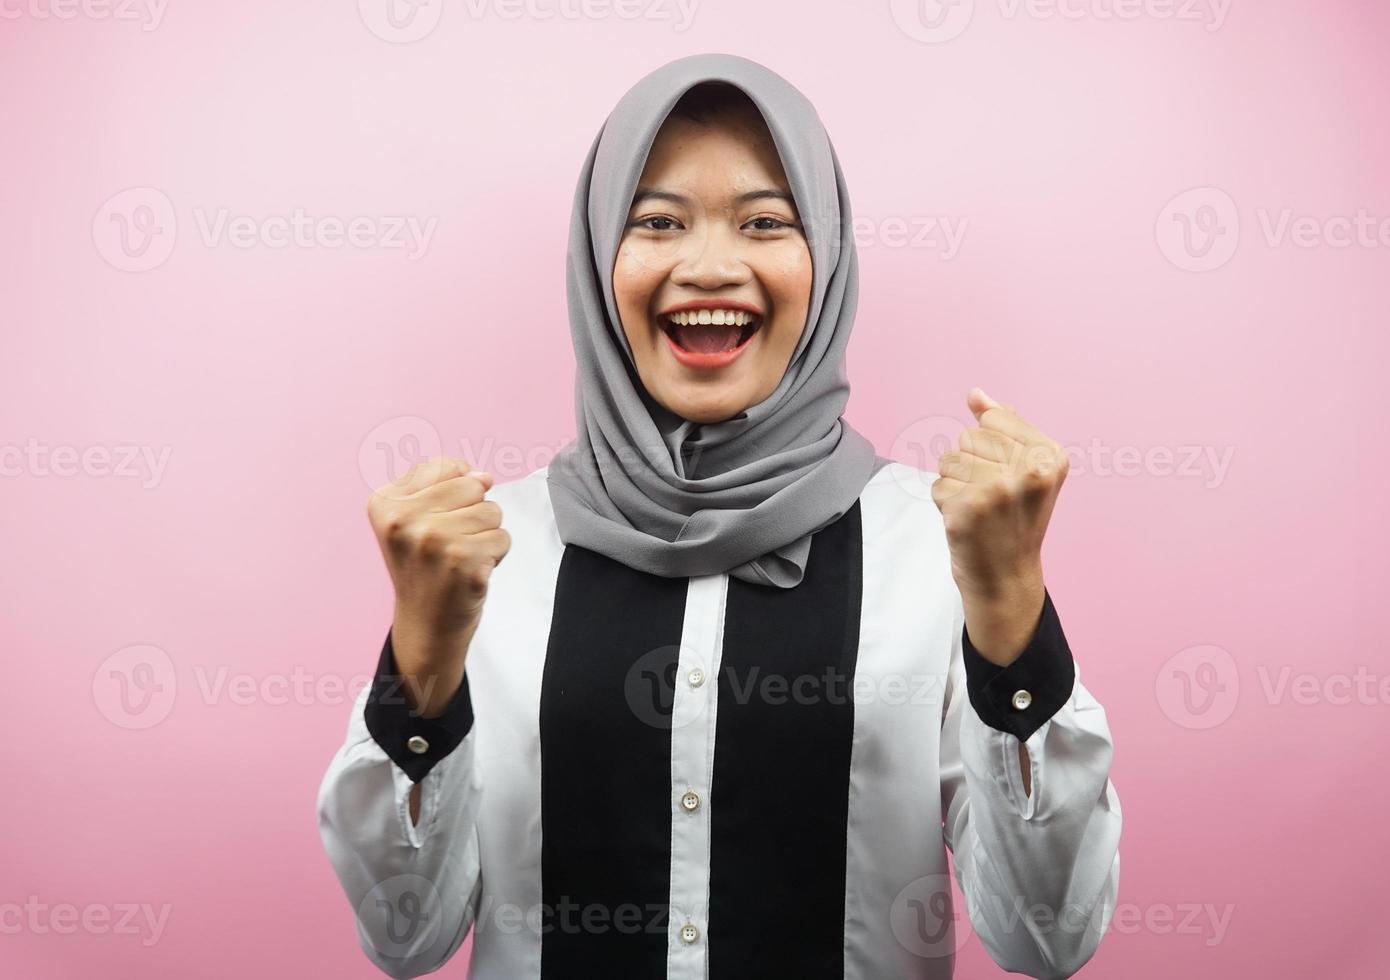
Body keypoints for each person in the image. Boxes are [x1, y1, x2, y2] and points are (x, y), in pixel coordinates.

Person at [317, 52, 1122, 980]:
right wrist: (419, 656)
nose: (708, 266)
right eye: (657, 221)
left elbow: (1048, 937)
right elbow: (405, 938)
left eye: (765, 222)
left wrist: (1012, 602)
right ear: (595, 261)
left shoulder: (938, 547)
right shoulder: (484, 555)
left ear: (824, 258)